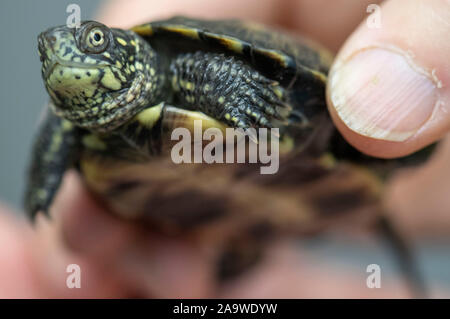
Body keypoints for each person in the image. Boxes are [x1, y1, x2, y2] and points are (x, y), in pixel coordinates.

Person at [1, 0, 449, 298]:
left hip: (314, 158)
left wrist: (242, 100)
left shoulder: (180, 68)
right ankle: (238, 264)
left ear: (131, 52)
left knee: (374, 135)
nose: (63, 54)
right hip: (220, 220)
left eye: (94, 41)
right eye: (50, 54)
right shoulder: (86, 129)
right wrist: (43, 180)